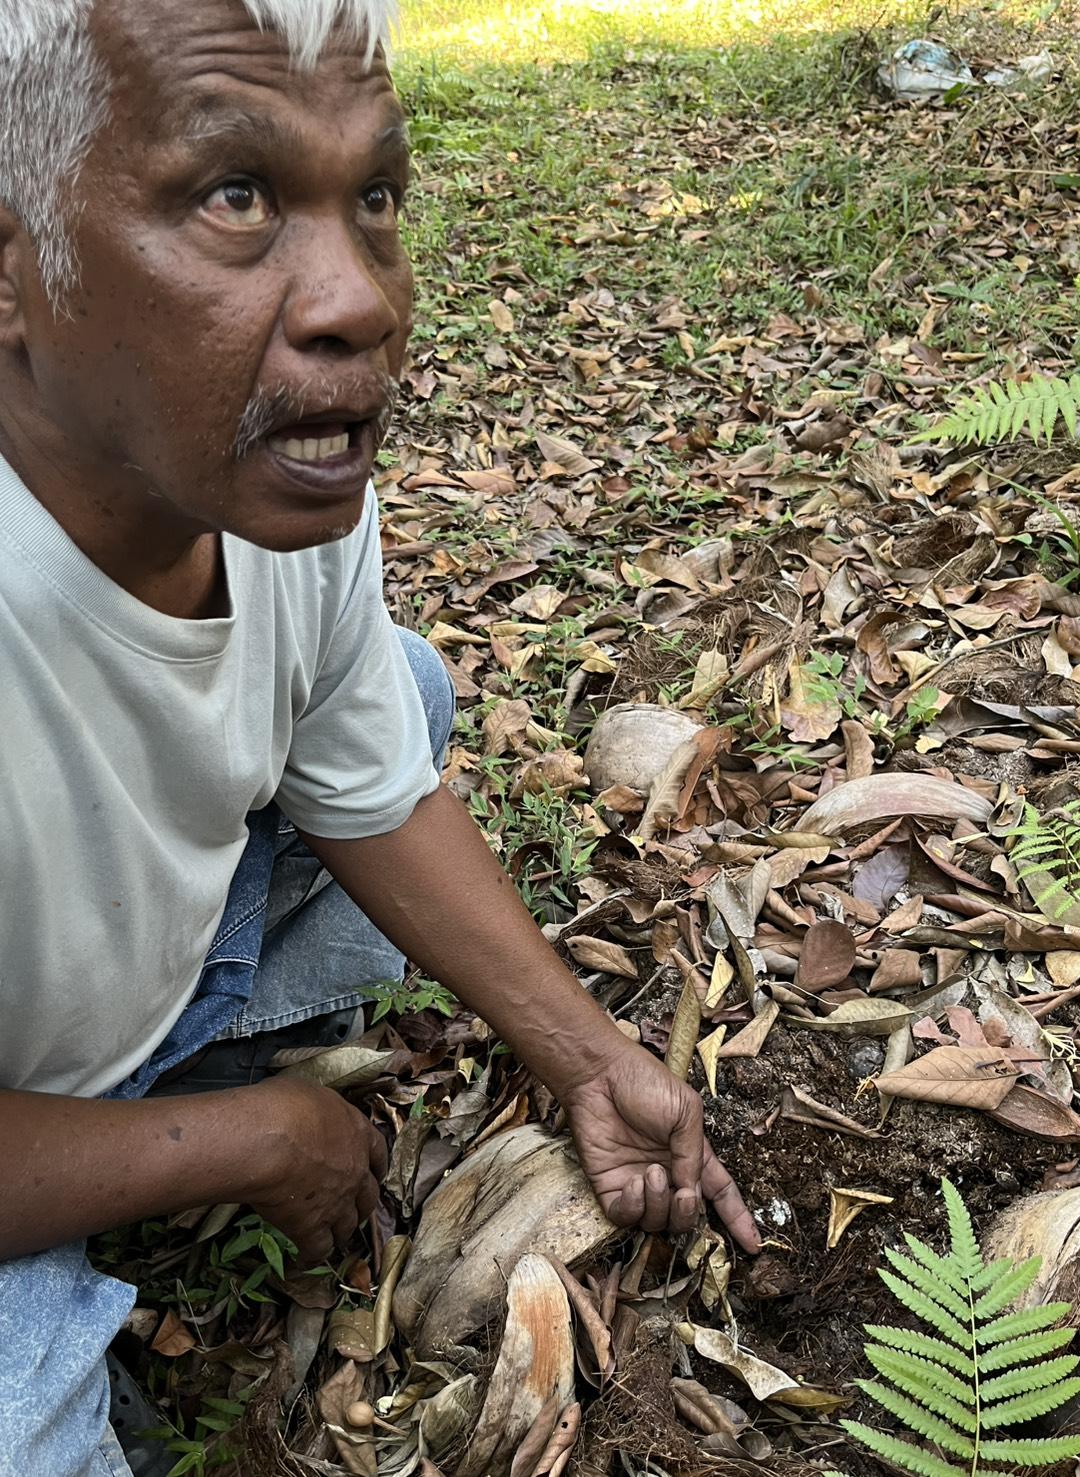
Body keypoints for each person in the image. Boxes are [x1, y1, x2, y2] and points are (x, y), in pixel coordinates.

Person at [0, 2, 761, 1472]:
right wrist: (254, 1142)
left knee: (395, 688)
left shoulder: (255, 465)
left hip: (111, 986)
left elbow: (371, 787)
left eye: (377, 196)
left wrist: (590, 1058)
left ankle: (139, 1107)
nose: (359, 297)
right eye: (236, 197)